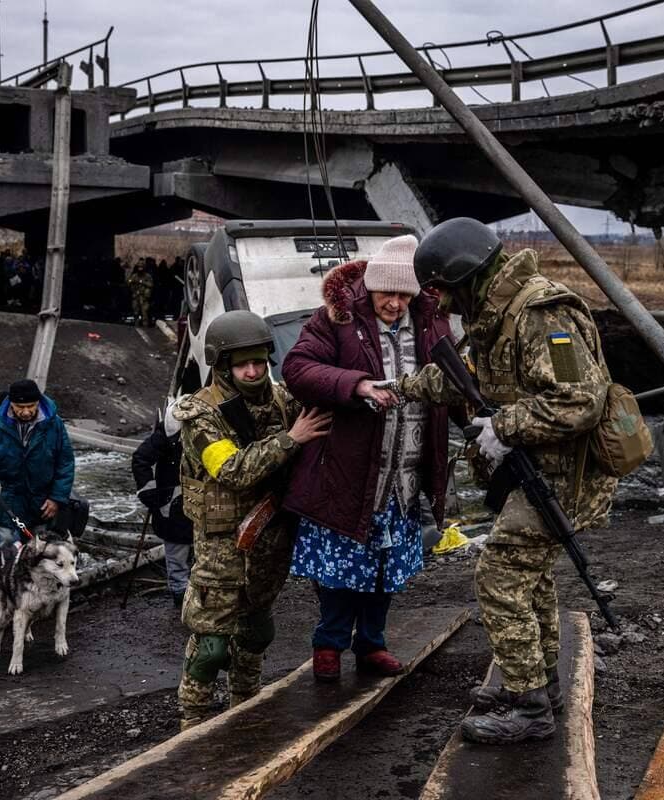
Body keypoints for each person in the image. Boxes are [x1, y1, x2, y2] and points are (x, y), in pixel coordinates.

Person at [396, 218, 617, 745]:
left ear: (465, 276)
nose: (442, 305)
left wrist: (503, 425)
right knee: (529, 577)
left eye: (443, 291)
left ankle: (530, 706)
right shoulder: (495, 316)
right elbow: (463, 376)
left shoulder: (543, 315)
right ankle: (540, 687)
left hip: (566, 476)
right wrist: (397, 387)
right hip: (539, 469)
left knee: (498, 576)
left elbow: (581, 400)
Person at [281, 234, 454, 681]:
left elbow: (453, 377)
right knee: (341, 568)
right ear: (370, 287)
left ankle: (372, 643)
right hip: (349, 470)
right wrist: (356, 385)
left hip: (405, 474)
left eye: (404, 294)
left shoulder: (433, 322)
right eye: (387, 293)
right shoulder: (336, 319)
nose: (395, 303)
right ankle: (329, 644)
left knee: (386, 567)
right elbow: (298, 368)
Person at [172, 310, 332, 728]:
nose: (253, 370)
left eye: (259, 361)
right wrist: (291, 439)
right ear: (222, 365)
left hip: (270, 540)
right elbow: (231, 471)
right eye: (242, 363)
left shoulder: (281, 399)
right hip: (222, 546)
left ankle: (246, 708)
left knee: (257, 632)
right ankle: (193, 722)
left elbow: (322, 402)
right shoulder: (200, 416)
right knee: (210, 645)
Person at [0, 379, 76, 547]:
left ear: (38, 402)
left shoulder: (55, 425)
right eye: (20, 407)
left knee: (41, 554)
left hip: (42, 504)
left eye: (31, 406)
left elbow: (65, 463)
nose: (26, 412)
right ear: (11, 404)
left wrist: (56, 498)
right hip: (6, 503)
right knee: (7, 552)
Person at [132, 398, 194, 609]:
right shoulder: (169, 429)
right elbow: (141, 458)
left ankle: (196, 599)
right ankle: (181, 599)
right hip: (173, 504)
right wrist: (149, 491)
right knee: (177, 556)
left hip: (199, 502)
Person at [127, 259, 154, 327]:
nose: (140, 269)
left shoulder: (148, 276)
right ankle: (136, 325)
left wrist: (143, 282)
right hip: (136, 296)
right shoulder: (134, 276)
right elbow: (128, 282)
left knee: (144, 312)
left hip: (144, 297)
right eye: (139, 267)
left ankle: (145, 326)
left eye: (141, 267)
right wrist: (131, 282)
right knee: (135, 312)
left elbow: (151, 285)